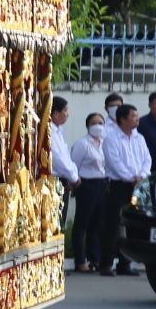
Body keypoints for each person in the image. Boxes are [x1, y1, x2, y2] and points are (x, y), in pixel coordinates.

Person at [101, 104, 151, 277]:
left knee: (132, 224)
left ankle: (125, 263)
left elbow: (147, 160)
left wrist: (142, 176)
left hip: (137, 186)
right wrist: (131, 177)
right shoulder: (111, 139)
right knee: (113, 225)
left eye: (137, 116)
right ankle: (106, 263)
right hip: (118, 185)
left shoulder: (140, 138)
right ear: (122, 119)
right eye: (133, 116)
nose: (137, 119)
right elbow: (115, 163)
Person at [69, 113, 109, 273]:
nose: (98, 126)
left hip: (102, 184)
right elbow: (74, 164)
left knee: (97, 224)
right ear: (88, 126)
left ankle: (95, 258)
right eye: (94, 123)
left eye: (100, 122)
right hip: (86, 185)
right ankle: (80, 260)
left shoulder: (104, 143)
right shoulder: (82, 144)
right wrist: (73, 184)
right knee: (82, 224)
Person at [48, 96, 80, 243]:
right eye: (65, 111)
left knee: (60, 220)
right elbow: (58, 160)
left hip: (64, 180)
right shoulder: (50, 132)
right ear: (55, 113)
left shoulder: (58, 132)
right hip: (55, 181)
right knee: (55, 221)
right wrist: (74, 177)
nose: (68, 114)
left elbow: (67, 158)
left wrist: (74, 175)